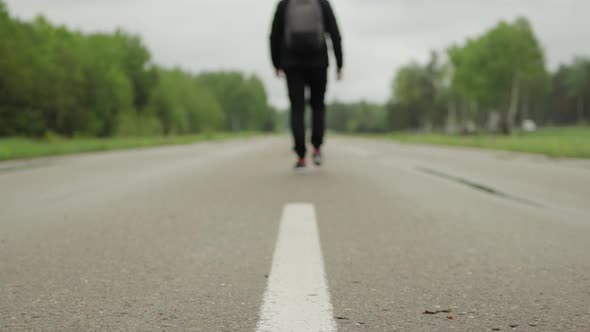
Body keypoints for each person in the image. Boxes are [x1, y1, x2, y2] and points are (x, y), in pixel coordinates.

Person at [270, 0, 343, 169]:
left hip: (292, 62)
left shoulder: (285, 4)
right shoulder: (321, 3)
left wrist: (276, 63)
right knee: (318, 106)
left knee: (297, 108)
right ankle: (316, 148)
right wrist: (340, 63)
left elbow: (274, 35)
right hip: (318, 61)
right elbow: (335, 32)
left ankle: (301, 156)